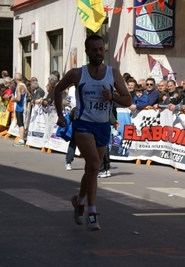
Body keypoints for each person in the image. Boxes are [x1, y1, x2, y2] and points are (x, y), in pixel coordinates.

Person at [54, 34, 131, 231]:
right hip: (83, 124)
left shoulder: (113, 74)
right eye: (94, 50)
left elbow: (128, 100)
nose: (98, 53)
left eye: (100, 49)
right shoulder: (77, 74)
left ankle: (79, 200)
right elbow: (58, 89)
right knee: (95, 164)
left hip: (103, 126)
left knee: (91, 169)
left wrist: (112, 96)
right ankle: (92, 212)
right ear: (87, 52)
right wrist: (60, 115)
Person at [11, 73, 27, 147]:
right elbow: (28, 95)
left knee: (20, 123)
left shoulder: (19, 86)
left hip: (20, 107)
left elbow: (19, 98)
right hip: (22, 106)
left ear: (15, 79)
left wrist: (13, 99)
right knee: (20, 123)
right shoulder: (23, 85)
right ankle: (22, 138)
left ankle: (21, 140)